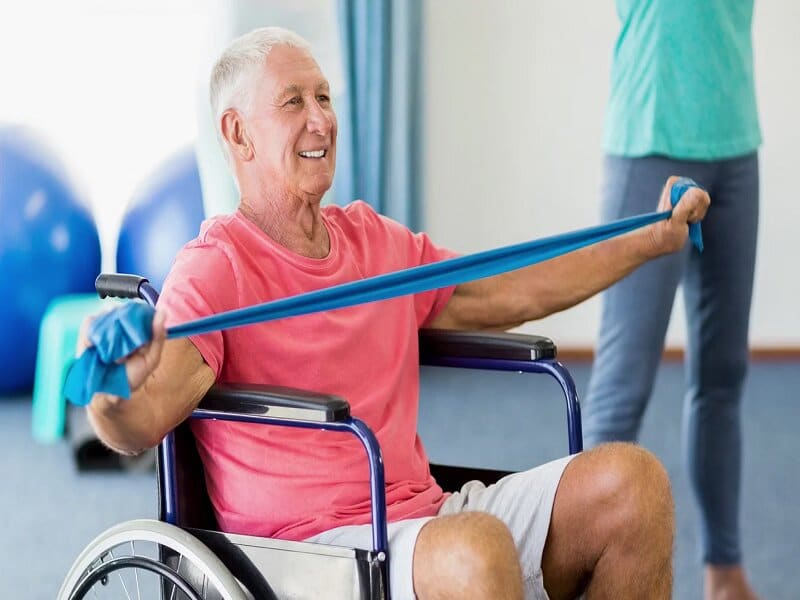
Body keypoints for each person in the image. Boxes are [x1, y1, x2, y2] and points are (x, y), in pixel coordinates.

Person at [83, 27, 709, 600]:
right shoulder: (217, 267)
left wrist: (649, 239)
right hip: (304, 551)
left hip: (422, 520)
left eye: (324, 98)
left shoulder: (371, 241)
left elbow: (509, 291)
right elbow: (140, 421)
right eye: (293, 102)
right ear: (238, 133)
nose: (321, 119)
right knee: (476, 552)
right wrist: (113, 387)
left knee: (634, 486)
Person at [583, 2, 761, 600]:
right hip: (650, 142)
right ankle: (586, 582)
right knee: (623, 387)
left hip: (735, 143)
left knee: (722, 375)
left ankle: (726, 573)